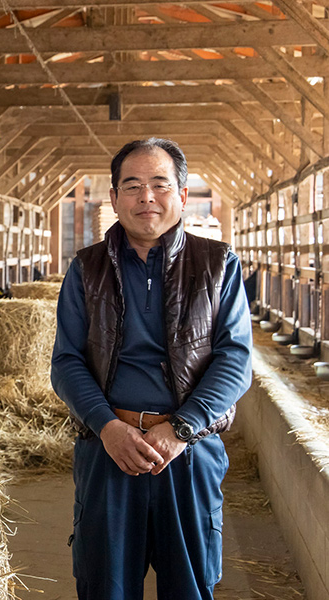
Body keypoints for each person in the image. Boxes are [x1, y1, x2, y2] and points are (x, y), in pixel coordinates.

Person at [50, 138, 252, 600]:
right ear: (115, 197)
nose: (147, 197)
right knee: (106, 585)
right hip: (108, 449)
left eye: (160, 184)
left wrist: (181, 428)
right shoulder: (87, 269)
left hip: (189, 452)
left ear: (182, 195)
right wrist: (105, 427)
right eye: (133, 185)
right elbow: (66, 362)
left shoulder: (218, 265)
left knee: (191, 584)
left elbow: (235, 359)